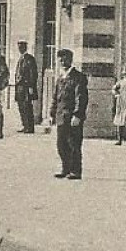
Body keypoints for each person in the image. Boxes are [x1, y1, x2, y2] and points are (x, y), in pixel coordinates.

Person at [51, 48, 90, 179]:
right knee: (61, 144)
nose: (62, 61)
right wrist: (52, 114)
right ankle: (65, 168)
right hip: (61, 116)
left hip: (72, 116)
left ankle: (75, 171)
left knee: (73, 144)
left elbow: (81, 97)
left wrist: (78, 115)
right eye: (60, 59)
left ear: (71, 60)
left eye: (65, 58)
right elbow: (56, 97)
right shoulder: (60, 78)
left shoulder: (78, 77)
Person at [14, 39, 39, 134]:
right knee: (21, 106)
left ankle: (30, 127)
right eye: (19, 47)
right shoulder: (21, 59)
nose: (20, 49)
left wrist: (31, 86)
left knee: (27, 107)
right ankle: (24, 125)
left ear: (25, 47)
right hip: (19, 87)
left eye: (21, 47)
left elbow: (33, 74)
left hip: (26, 87)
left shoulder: (29, 59)